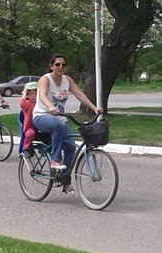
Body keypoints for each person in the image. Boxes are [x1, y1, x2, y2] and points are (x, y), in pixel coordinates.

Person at [33, 54, 102, 183]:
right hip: (41, 116)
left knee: (71, 148)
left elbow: (79, 94)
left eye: (63, 64)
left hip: (60, 118)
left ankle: (64, 181)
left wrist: (94, 108)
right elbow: (42, 95)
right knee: (58, 125)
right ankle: (55, 160)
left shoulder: (67, 80)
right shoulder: (46, 79)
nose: (61, 67)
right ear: (51, 66)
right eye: (57, 64)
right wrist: (50, 106)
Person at [20, 81, 39, 153]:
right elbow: (22, 104)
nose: (34, 96)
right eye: (31, 94)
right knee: (30, 134)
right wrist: (24, 93)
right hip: (31, 126)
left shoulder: (41, 103)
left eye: (36, 94)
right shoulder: (27, 103)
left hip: (41, 126)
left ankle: (48, 149)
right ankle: (26, 148)